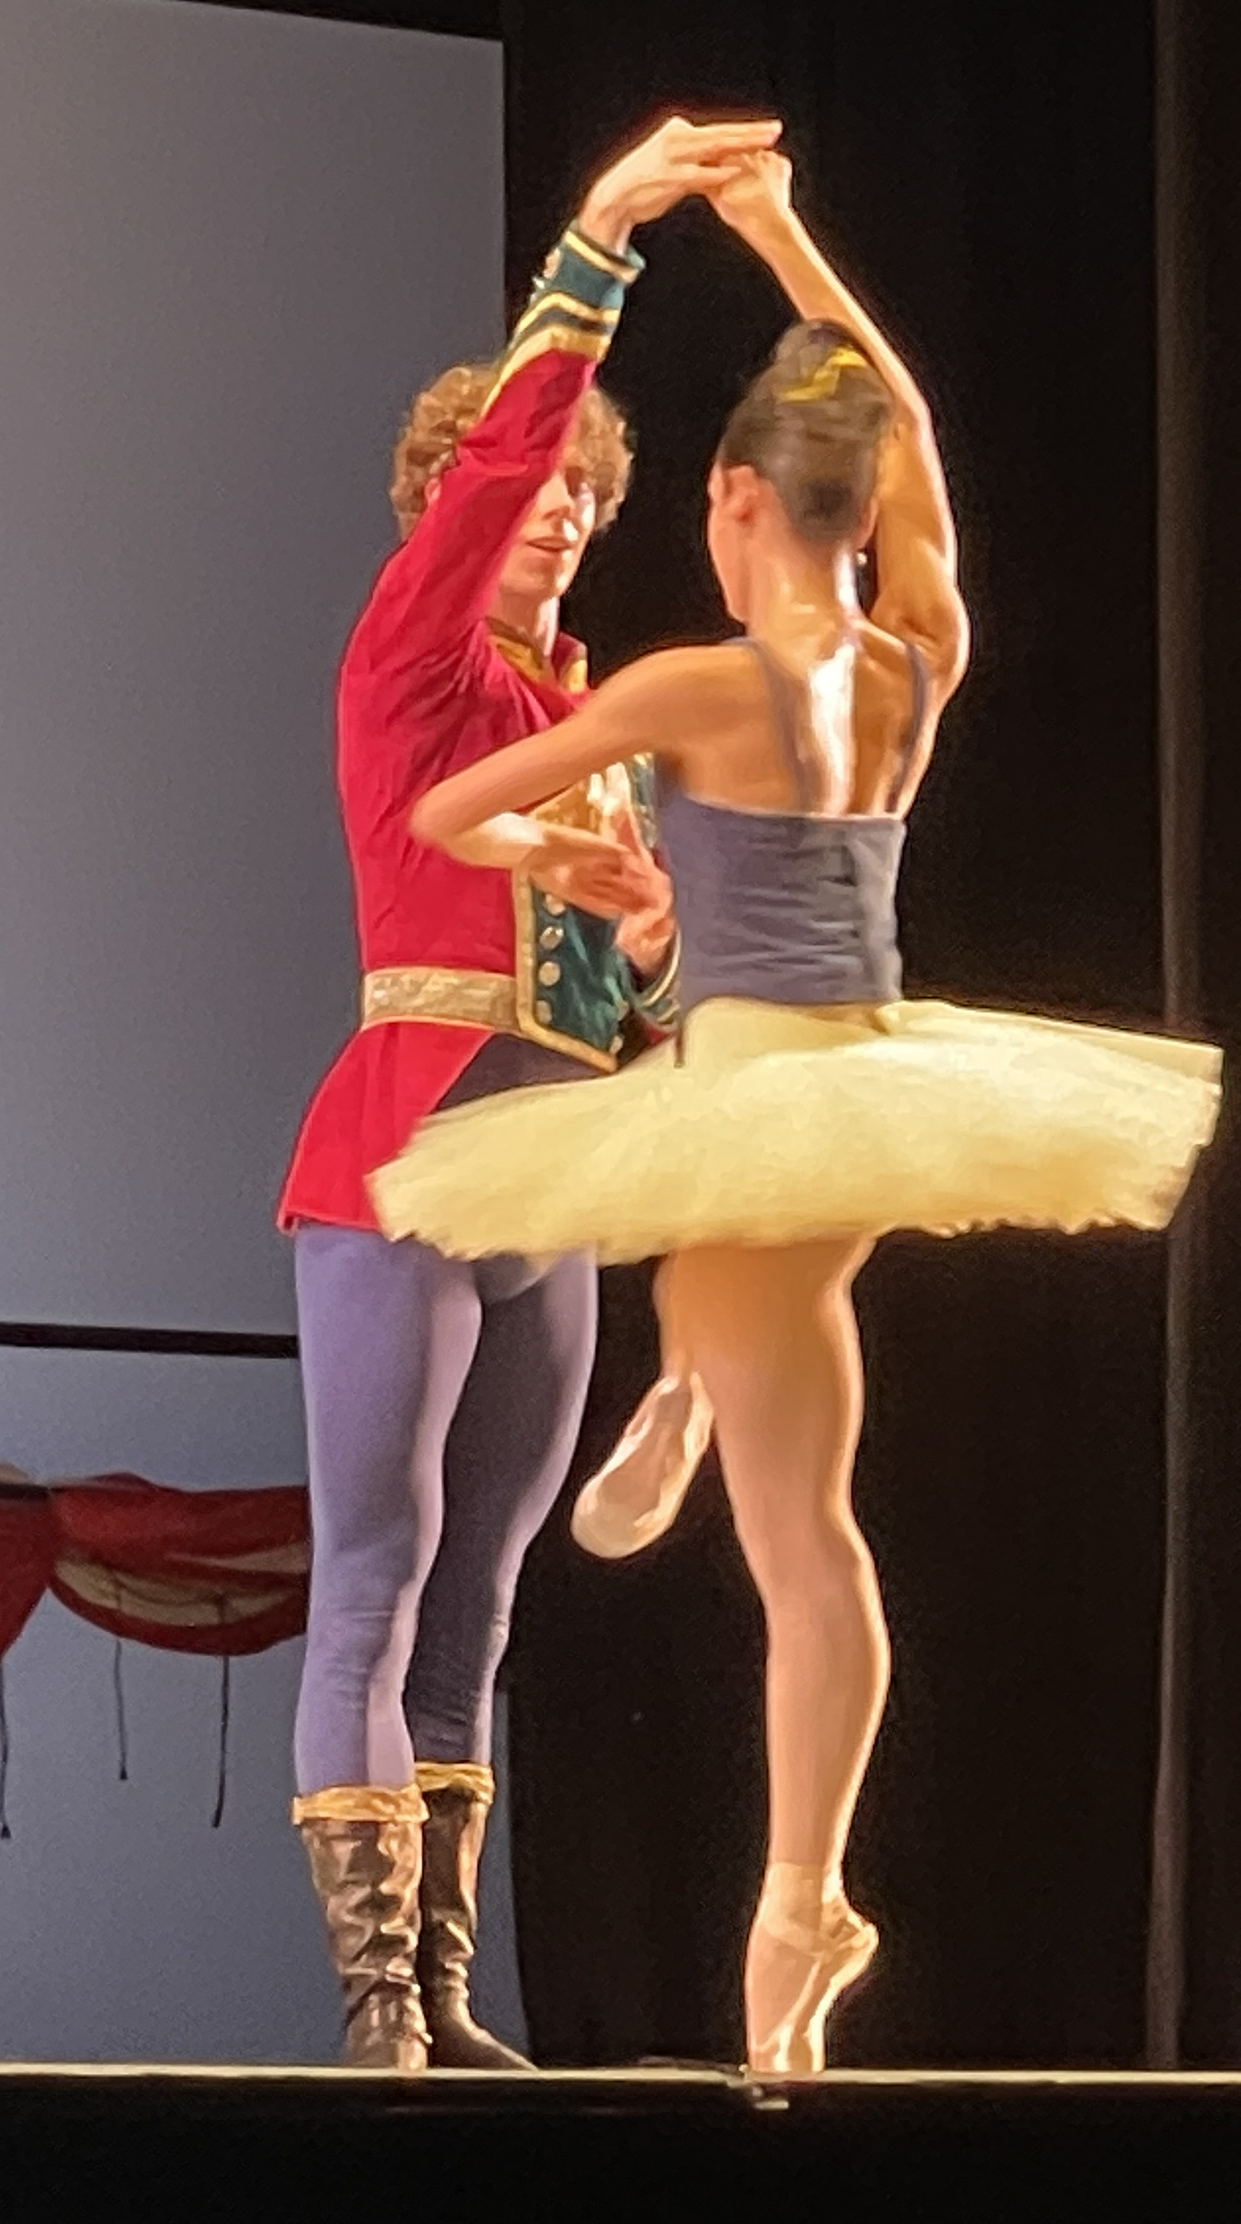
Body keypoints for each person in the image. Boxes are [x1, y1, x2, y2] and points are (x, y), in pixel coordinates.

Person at [366, 152, 1223, 2074]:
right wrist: (780, 240)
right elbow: (905, 421)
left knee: (806, 1546)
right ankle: (684, 1382)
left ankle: (800, 1902)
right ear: (861, 504)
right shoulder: (921, 662)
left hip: (753, 1095)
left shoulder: (687, 689)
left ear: (735, 500)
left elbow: (441, 814)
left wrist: (565, 852)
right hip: (868, 1077)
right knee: (755, 1356)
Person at [276, 113, 781, 2071]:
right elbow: (501, 461)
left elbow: (637, 1005)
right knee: (375, 1579)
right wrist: (604, 237)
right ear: (447, 500)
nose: (560, 508)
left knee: (481, 1607)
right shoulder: (411, 659)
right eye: (535, 480)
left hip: (547, 1174)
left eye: (589, 491)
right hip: (407, 1156)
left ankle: (445, 1995)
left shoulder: (596, 730)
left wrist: (659, 948)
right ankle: (371, 2012)